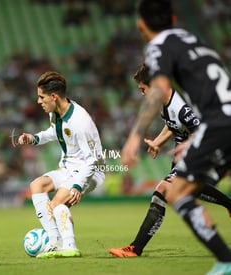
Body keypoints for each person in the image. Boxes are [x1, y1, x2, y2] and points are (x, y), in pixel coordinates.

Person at [121, 0, 231, 274]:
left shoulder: (159, 47)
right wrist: (160, 141)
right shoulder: (190, 39)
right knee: (183, 187)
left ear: (141, 25)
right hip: (224, 117)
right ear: (171, 18)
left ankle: (225, 260)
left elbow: (163, 95)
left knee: (175, 191)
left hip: (217, 123)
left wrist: (135, 138)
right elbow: (176, 120)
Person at [110, 63, 231, 258]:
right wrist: (157, 142)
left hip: (204, 150)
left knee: (165, 189)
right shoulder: (165, 104)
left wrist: (189, 150)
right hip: (185, 151)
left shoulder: (182, 107)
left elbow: (202, 132)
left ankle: (135, 248)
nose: (142, 94)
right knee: (181, 189)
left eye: (143, 89)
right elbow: (171, 125)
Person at [17, 71, 105, 258]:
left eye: (41, 97)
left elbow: (92, 160)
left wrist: (77, 186)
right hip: (68, 168)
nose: (39, 101)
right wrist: (34, 138)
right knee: (37, 185)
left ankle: (70, 246)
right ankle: (54, 241)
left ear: (54, 96)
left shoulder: (80, 121)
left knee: (57, 203)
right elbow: (54, 132)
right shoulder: (57, 112)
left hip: (89, 172)